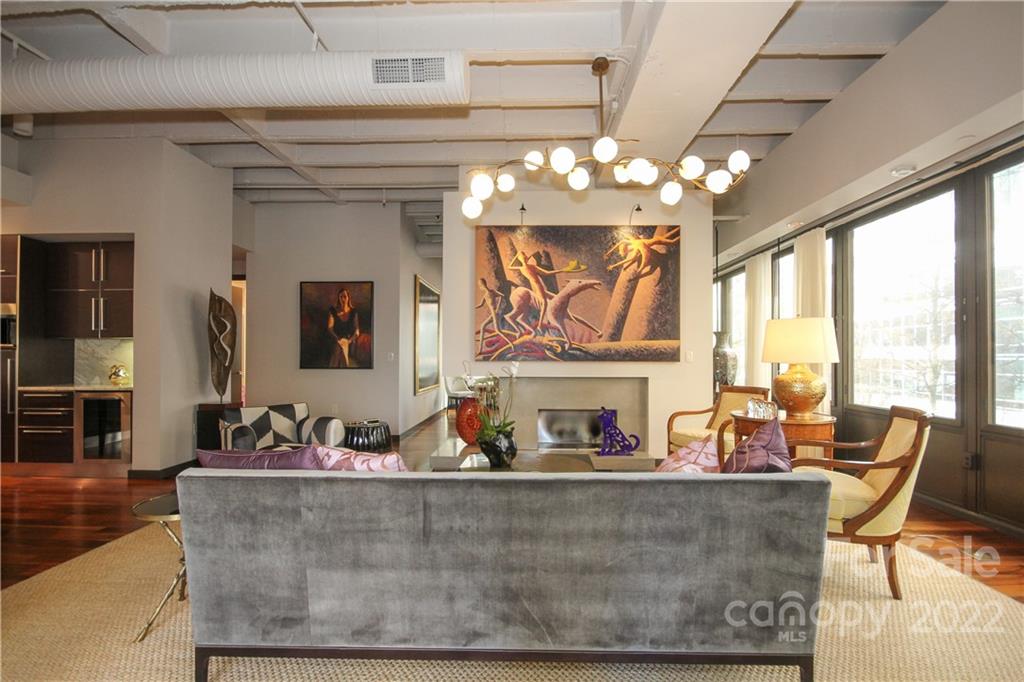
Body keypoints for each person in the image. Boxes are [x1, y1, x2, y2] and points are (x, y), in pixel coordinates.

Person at [327, 288, 360, 368]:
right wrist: (338, 339)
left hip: (349, 340)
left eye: (345, 296)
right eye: (341, 297)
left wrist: (349, 341)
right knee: (339, 347)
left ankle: (333, 370)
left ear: (348, 298)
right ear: (338, 298)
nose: (343, 299)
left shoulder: (353, 311)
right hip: (335, 338)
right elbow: (330, 328)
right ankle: (345, 370)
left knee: (341, 347)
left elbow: (357, 331)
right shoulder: (333, 310)